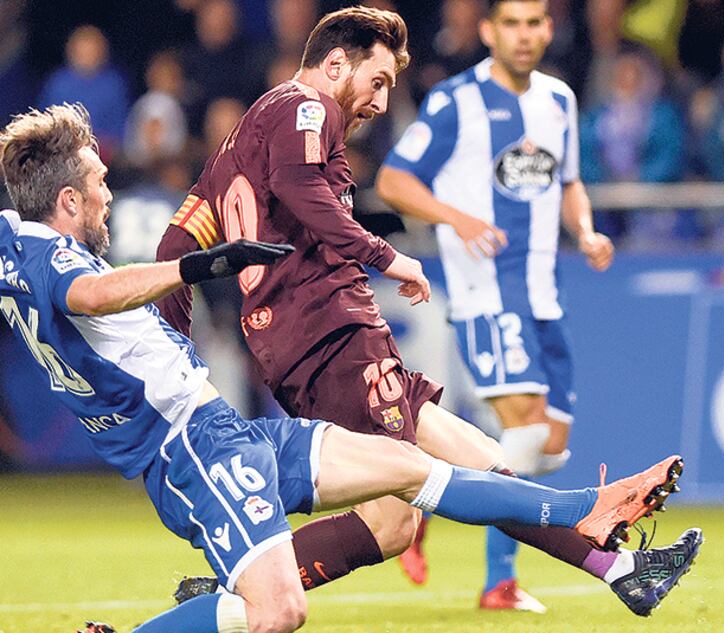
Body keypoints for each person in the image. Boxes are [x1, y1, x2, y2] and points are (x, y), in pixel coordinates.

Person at [0, 103, 703, 633]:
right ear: (67, 202)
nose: (107, 193)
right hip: (194, 450)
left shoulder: (13, 248)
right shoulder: (54, 262)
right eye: (96, 183)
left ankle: (594, 525)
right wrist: (197, 267)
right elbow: (90, 291)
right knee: (275, 612)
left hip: (225, 430)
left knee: (411, 471)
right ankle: (600, 535)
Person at [154, 5, 693, 619]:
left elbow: (176, 248)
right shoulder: (306, 106)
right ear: (336, 64)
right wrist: (385, 255)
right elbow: (303, 188)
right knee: (397, 514)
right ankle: (231, 594)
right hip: (329, 335)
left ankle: (622, 568)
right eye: (377, 80)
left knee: (481, 460)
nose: (382, 102)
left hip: (325, 338)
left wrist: (175, 357)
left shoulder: (242, 141)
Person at [376, 0, 615, 611]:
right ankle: (498, 583)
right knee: (526, 426)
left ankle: (421, 492)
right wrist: (458, 218)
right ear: (488, 31)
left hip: (544, 294)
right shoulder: (457, 101)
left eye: (535, 22)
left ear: (549, 29)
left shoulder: (559, 100)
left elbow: (569, 182)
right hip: (485, 290)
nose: (525, 34)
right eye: (512, 22)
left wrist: (584, 231)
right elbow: (394, 181)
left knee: (548, 446)